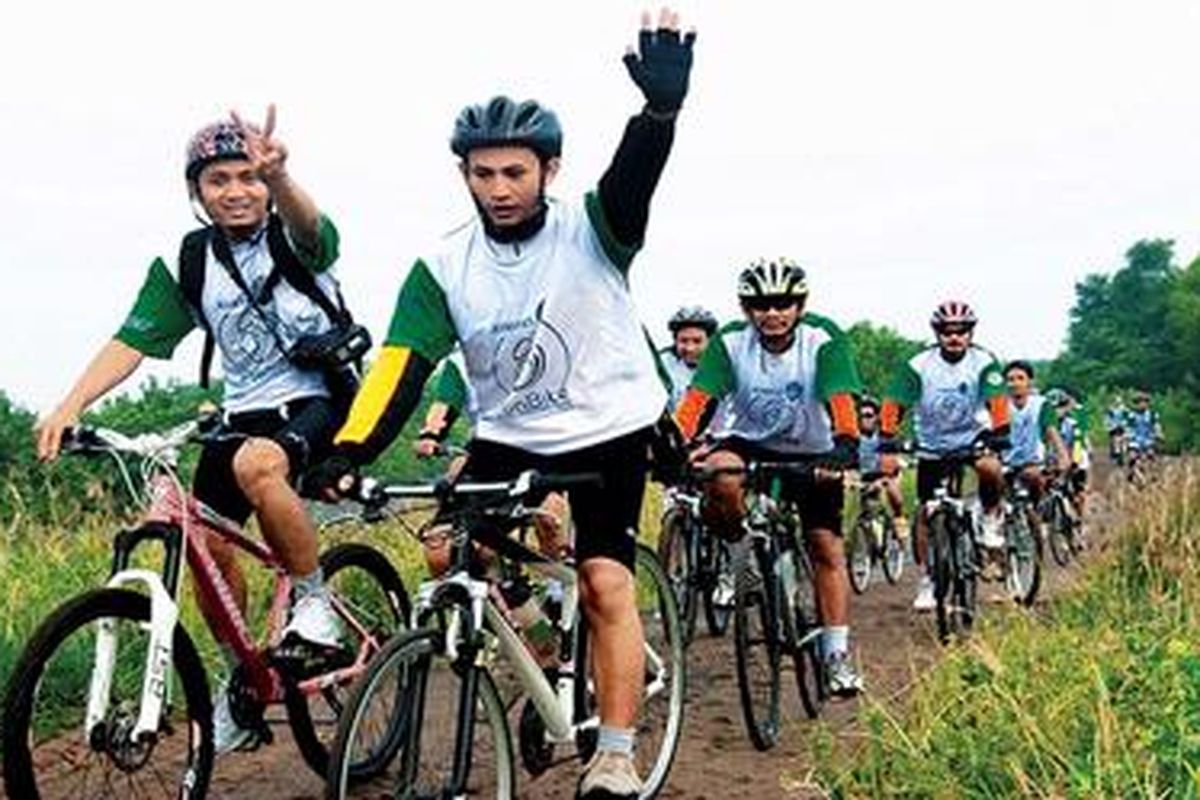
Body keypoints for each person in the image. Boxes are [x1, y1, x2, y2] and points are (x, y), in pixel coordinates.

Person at [309, 10, 697, 798]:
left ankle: (616, 753)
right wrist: (347, 451)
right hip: (511, 433)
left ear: (547, 171)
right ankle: (536, 655)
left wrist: (657, 116)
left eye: (514, 172)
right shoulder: (443, 264)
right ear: (465, 177)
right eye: (483, 174)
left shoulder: (594, 229)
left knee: (604, 582)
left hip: (608, 427)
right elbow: (400, 366)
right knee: (451, 558)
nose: (499, 189)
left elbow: (633, 183)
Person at [34, 106, 349, 753]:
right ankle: (243, 677)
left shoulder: (293, 237)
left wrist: (282, 178)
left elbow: (312, 226)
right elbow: (133, 339)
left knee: (257, 467)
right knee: (201, 538)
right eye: (218, 180)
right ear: (196, 192)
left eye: (247, 178)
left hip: (318, 396)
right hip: (242, 412)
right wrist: (72, 404)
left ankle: (314, 604)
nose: (236, 190)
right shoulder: (191, 260)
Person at [673, 258, 865, 697]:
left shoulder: (823, 337)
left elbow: (839, 397)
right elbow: (700, 400)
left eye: (782, 304)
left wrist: (846, 444)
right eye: (761, 305)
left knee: (824, 545)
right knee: (719, 475)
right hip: (751, 442)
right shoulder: (731, 341)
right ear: (746, 308)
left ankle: (835, 654)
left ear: (799, 305)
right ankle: (743, 552)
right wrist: (676, 444)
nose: (772, 314)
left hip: (815, 450)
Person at [879, 300, 1010, 611]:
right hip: (932, 443)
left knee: (991, 469)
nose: (955, 337)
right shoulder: (918, 365)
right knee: (926, 512)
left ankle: (991, 519)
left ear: (970, 333)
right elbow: (894, 404)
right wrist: (887, 441)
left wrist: (1000, 430)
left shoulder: (984, 361)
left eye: (962, 331)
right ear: (937, 333)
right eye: (947, 331)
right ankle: (927, 578)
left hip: (972, 437)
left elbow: (997, 400)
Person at [1002, 361, 1070, 502]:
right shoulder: (1000, 406)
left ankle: (1040, 518)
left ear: (1030, 382)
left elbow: (1052, 433)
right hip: (1007, 462)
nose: (1015, 383)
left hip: (1034, 462)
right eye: (1010, 379)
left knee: (1034, 482)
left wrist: (1063, 457)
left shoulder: (1041, 405)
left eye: (1020, 378)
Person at [857, 396, 908, 542]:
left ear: (876, 417)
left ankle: (899, 519)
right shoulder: (852, 439)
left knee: (891, 489)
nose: (864, 420)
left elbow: (892, 462)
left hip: (884, 477)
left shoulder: (884, 437)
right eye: (861, 416)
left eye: (868, 416)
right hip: (861, 479)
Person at [659, 306, 719, 408]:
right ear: (675, 340)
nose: (690, 348)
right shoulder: (662, 364)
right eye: (683, 341)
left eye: (697, 341)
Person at [1104, 395, 1129, 465]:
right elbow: (1107, 419)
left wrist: (1126, 424)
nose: (1117, 403)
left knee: (1125, 439)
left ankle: (1123, 453)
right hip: (1114, 428)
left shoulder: (1124, 409)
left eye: (1119, 401)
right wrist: (1109, 426)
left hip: (1122, 427)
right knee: (1113, 440)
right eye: (1116, 401)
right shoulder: (1111, 410)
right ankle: (1115, 454)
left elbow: (1128, 418)